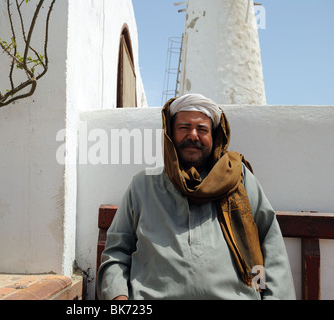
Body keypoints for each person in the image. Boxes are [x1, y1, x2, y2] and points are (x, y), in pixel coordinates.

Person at [97, 93, 296, 300]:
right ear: (170, 134)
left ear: (214, 137)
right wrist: (118, 298)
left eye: (202, 129)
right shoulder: (143, 185)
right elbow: (117, 252)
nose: (193, 135)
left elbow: (271, 246)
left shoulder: (238, 180)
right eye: (184, 128)